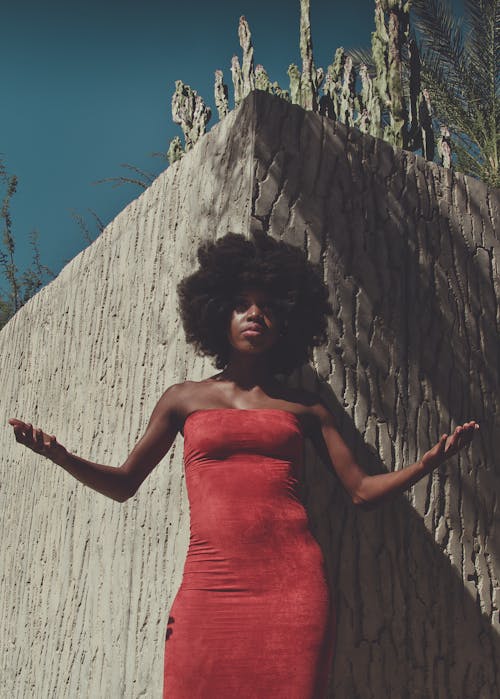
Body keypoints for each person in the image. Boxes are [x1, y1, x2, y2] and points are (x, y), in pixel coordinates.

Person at [9, 231, 479, 698]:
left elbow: (361, 491)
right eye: (241, 304)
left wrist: (427, 463)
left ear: (287, 321)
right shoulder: (183, 399)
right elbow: (124, 484)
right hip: (208, 590)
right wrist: (61, 455)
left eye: (268, 305)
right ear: (218, 315)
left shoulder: (305, 408)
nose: (255, 314)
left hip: (291, 591)